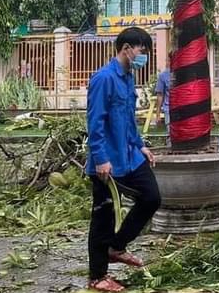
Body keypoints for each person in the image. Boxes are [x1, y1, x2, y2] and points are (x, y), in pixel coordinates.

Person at [86, 27, 161, 293]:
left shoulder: (129, 77)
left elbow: (128, 118)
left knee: (152, 197)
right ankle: (98, 277)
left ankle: (116, 247)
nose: (145, 57)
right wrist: (100, 158)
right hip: (106, 160)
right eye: (142, 51)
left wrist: (140, 145)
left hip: (129, 155)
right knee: (103, 216)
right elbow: (95, 122)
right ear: (127, 48)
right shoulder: (104, 79)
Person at [152, 53, 172, 128]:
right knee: (171, 136)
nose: (167, 63)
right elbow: (160, 95)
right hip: (169, 110)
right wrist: (158, 115)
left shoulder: (183, 74)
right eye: (167, 61)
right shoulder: (163, 76)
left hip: (183, 111)